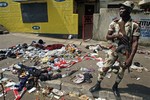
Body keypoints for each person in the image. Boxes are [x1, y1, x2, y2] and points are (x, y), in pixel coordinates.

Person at [89, 1, 140, 97]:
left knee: (122, 70)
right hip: (113, 50)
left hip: (125, 52)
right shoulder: (114, 23)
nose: (121, 10)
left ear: (129, 10)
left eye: (123, 8)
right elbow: (107, 36)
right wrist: (116, 35)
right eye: (120, 8)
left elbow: (135, 42)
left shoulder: (135, 25)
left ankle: (115, 86)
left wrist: (131, 58)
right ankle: (98, 84)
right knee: (105, 68)